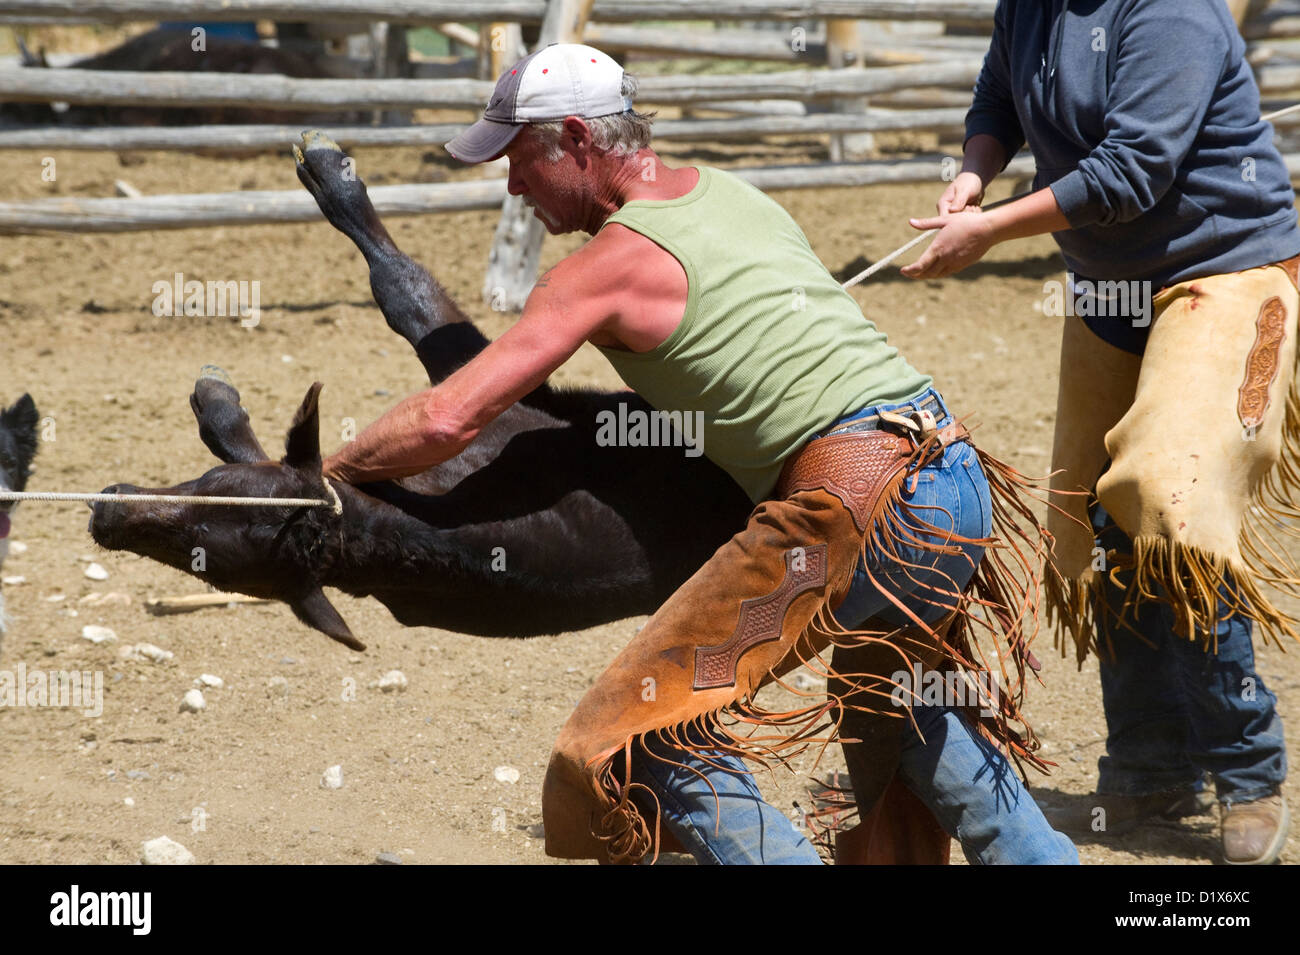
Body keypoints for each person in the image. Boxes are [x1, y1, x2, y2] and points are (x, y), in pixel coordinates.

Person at [324, 42, 1076, 865]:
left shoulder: (601, 270)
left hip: (855, 504)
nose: (513, 187)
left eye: (519, 162)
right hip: (952, 474)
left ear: (576, 140)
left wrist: (330, 475)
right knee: (897, 703)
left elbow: (449, 418)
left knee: (644, 730)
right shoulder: (735, 194)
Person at [903, 0, 1294, 864]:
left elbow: (1132, 171)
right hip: (1110, 283)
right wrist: (974, 174)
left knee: (1168, 503)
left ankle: (1247, 768)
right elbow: (997, 104)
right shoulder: (1030, 6)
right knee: (1095, 517)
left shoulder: (1171, 11)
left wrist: (989, 229)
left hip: (1225, 267)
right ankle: (1149, 769)